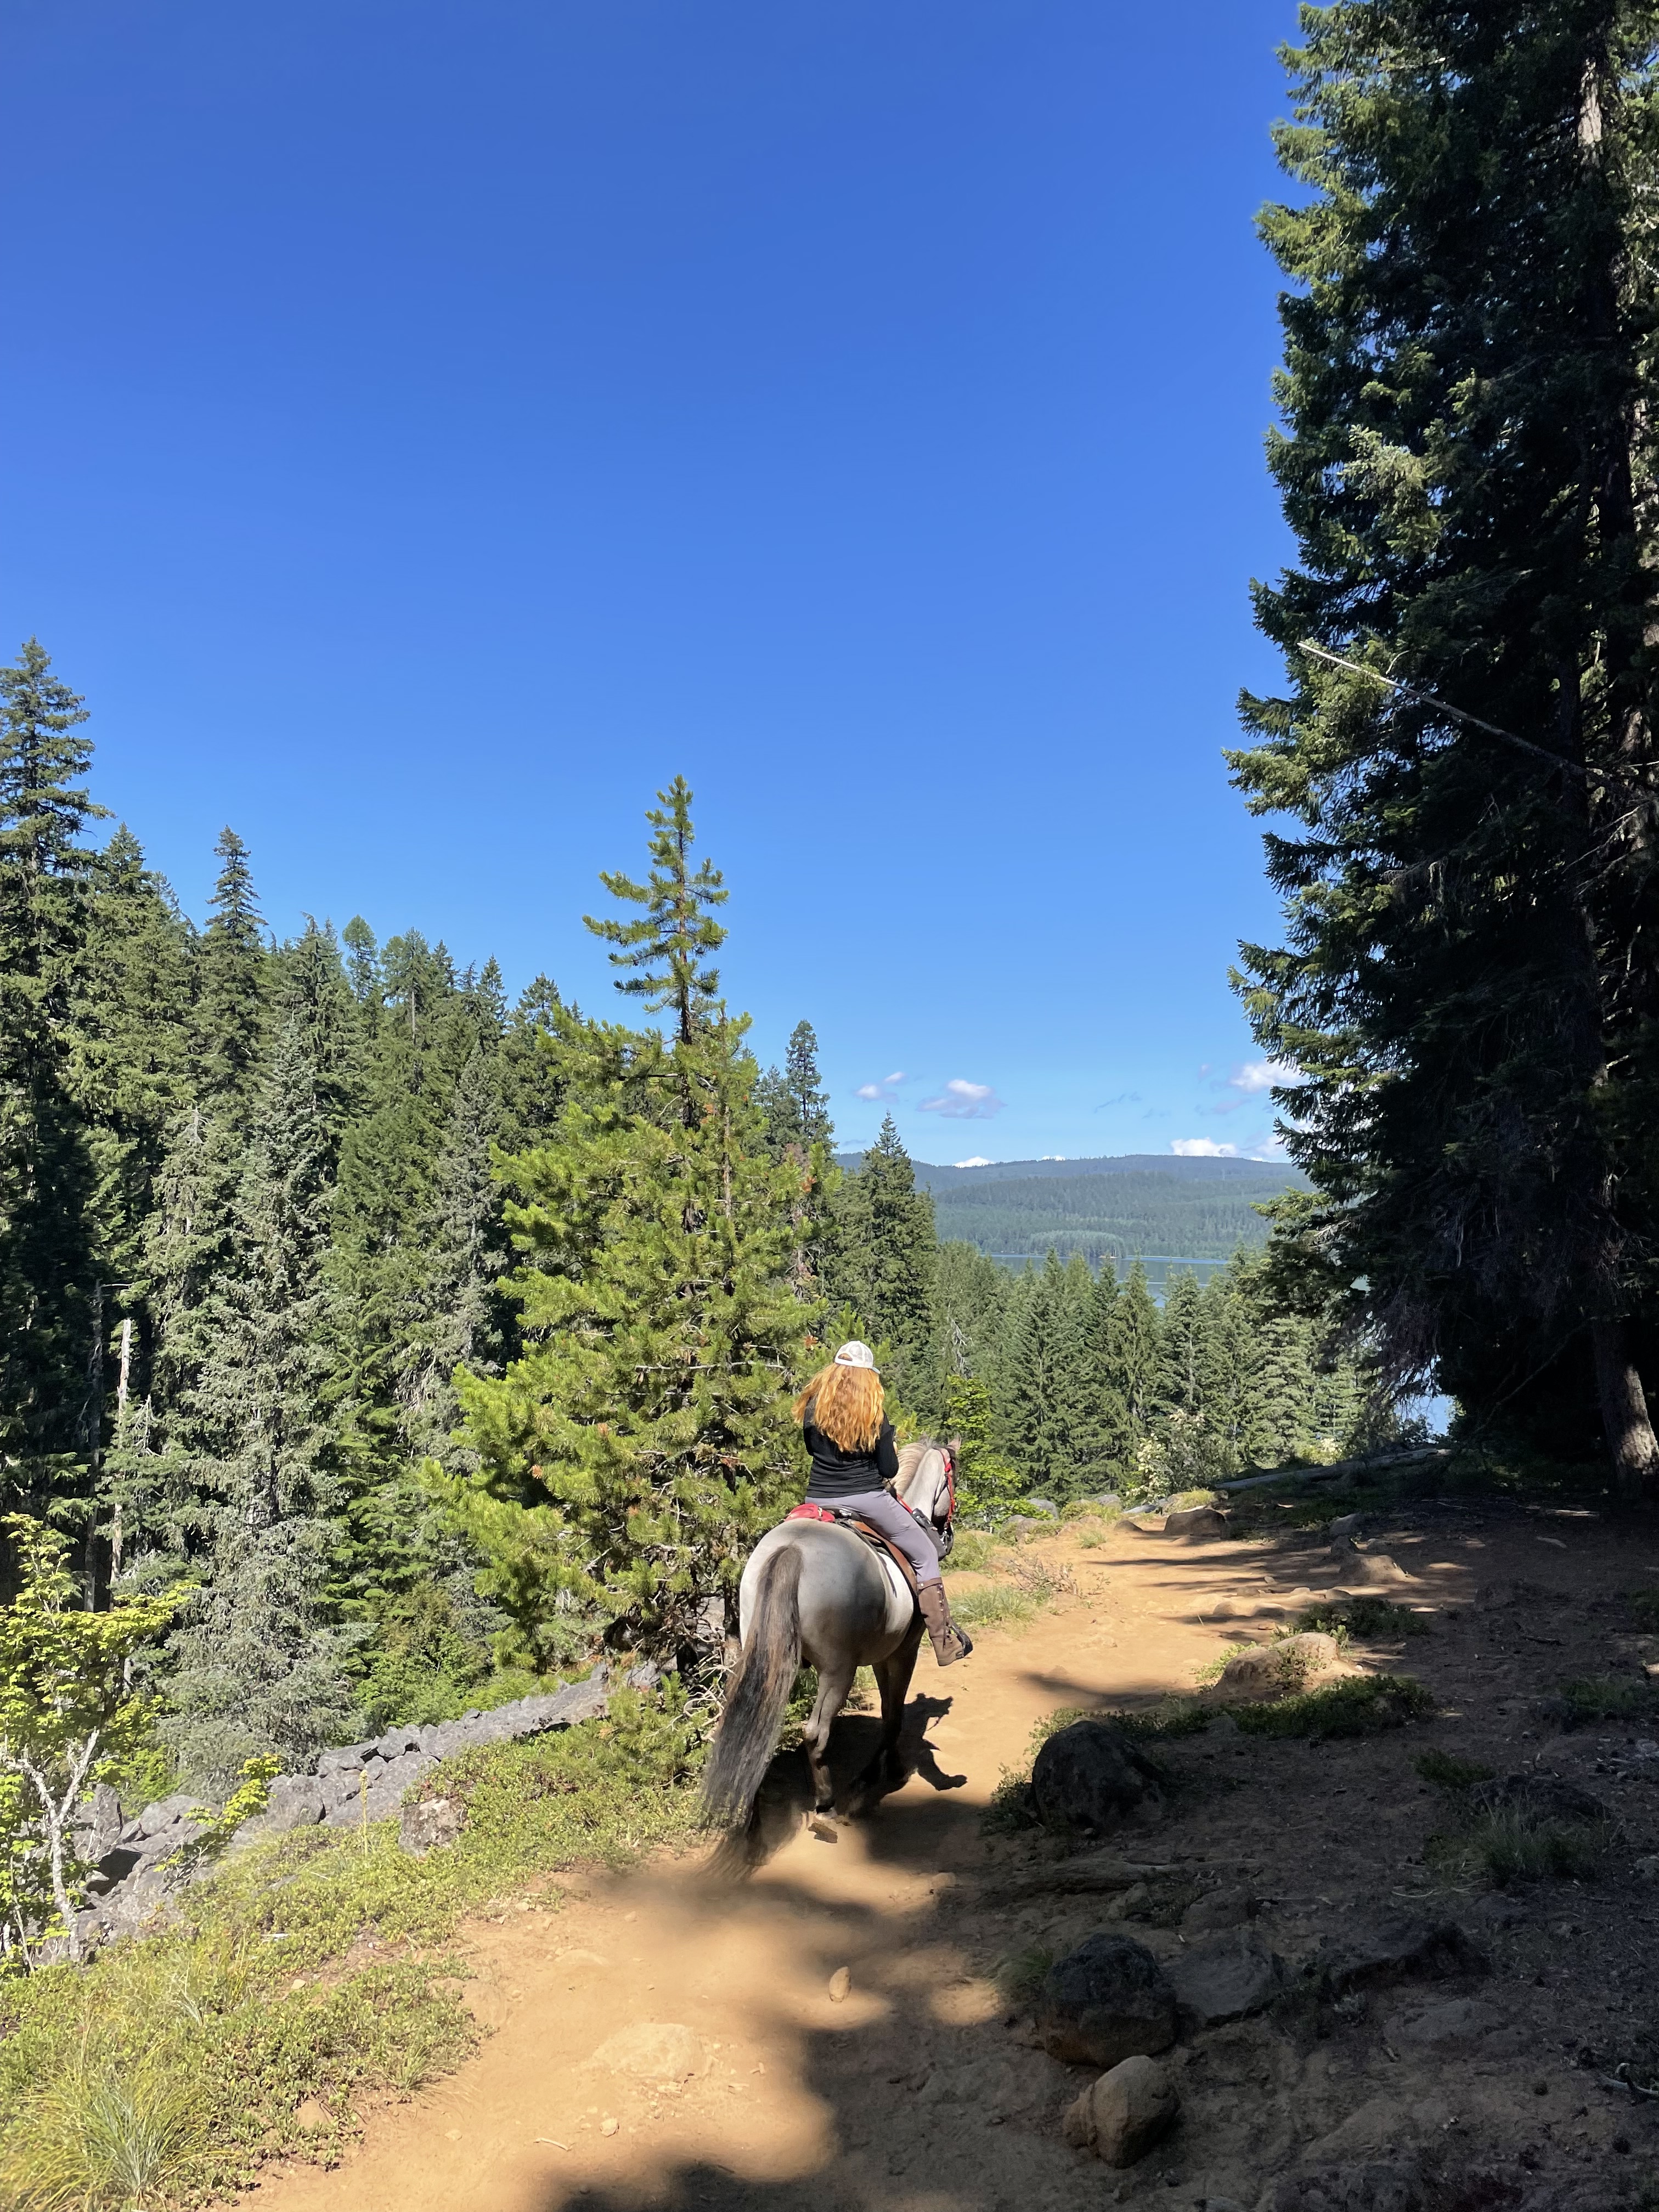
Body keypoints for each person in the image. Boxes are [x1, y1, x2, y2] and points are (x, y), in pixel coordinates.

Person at [792, 1340, 973, 1666]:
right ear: (868, 1378)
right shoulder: (874, 1416)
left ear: (833, 1373)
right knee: (924, 1553)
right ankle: (944, 1641)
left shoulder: (812, 1410)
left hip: (817, 1498)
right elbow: (889, 1470)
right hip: (867, 1499)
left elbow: (811, 1451)